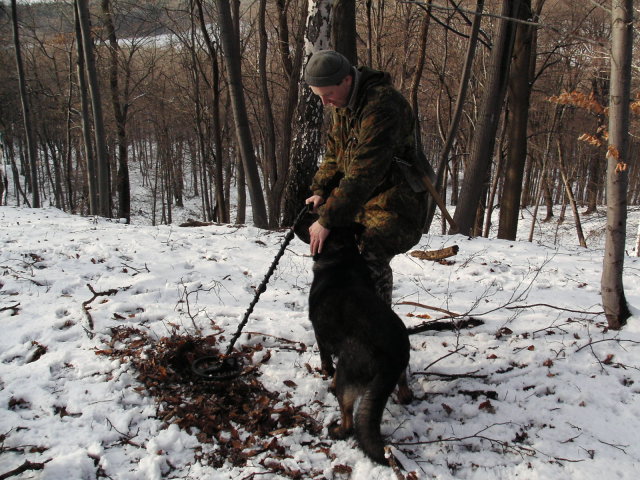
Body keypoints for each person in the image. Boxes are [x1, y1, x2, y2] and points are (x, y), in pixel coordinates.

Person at [304, 49, 431, 305]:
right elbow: (334, 153)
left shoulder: (383, 106)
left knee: (370, 249)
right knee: (335, 244)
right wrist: (320, 189)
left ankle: (376, 328)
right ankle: (348, 317)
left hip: (397, 200)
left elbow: (366, 169)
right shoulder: (343, 103)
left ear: (347, 80)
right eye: (320, 97)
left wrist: (328, 218)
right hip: (361, 197)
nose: (325, 103)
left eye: (328, 94)